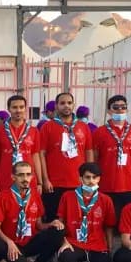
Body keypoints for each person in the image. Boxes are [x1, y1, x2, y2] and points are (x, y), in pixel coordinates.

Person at [0, 162, 65, 262]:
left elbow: (39, 225)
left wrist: (51, 225)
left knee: (57, 231)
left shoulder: (35, 195)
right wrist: (9, 242)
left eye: (28, 175)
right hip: (12, 244)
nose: (25, 178)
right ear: (13, 177)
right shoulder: (3, 196)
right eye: (21, 175)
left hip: (29, 242)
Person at [57, 163, 117, 262]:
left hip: (97, 245)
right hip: (74, 243)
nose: (91, 181)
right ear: (80, 179)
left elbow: (109, 226)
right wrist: (63, 242)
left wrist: (109, 248)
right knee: (66, 257)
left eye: (94, 177)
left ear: (99, 179)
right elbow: (60, 222)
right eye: (87, 177)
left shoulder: (106, 200)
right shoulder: (67, 196)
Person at [40, 92, 94, 221]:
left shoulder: (83, 127)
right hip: (54, 184)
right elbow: (41, 154)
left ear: (73, 105)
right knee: (55, 220)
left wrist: (90, 177)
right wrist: (45, 179)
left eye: (69, 103)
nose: (66, 106)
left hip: (78, 182)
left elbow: (89, 151)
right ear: (57, 106)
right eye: (62, 103)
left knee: (77, 218)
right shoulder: (47, 127)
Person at [92, 95, 131, 218]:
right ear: (109, 111)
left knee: (130, 218)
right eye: (115, 107)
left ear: (127, 110)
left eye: (123, 107)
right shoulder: (100, 132)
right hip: (107, 184)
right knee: (109, 220)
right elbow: (95, 157)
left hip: (130, 184)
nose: (120, 110)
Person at [0, 95, 42, 197]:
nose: (18, 110)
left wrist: (40, 182)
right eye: (14, 107)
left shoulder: (33, 131)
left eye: (21, 107)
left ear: (25, 109)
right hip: (5, 179)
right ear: (9, 109)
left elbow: (36, 156)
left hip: (28, 179)